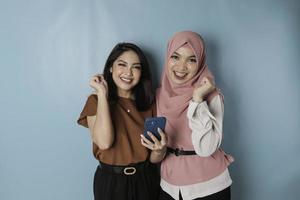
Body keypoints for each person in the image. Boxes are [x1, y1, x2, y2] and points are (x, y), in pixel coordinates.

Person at [149, 31, 234, 200]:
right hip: (169, 185)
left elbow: (206, 149)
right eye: (176, 57)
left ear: (201, 62)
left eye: (192, 59)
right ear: (167, 58)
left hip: (209, 186)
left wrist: (197, 99)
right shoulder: (158, 95)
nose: (181, 67)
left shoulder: (212, 96)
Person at [77, 43, 166, 200]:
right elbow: (104, 143)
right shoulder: (96, 101)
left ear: (141, 72)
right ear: (111, 67)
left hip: (145, 179)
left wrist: (159, 151)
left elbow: (153, 158)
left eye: (136, 67)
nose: (128, 72)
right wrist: (102, 94)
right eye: (122, 65)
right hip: (111, 182)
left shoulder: (150, 104)